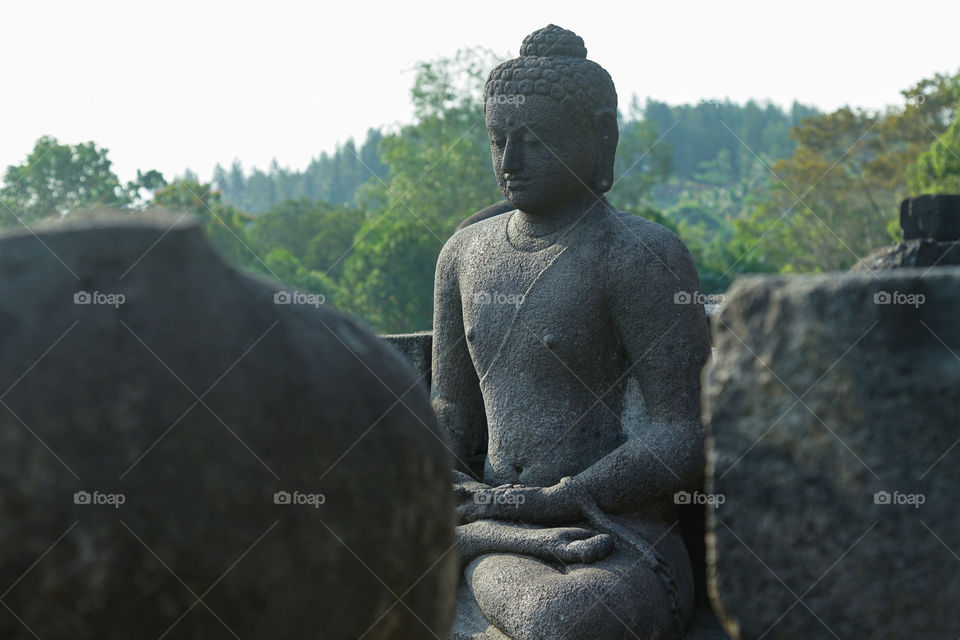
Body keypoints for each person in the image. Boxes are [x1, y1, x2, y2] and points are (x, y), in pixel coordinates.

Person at [431, 25, 711, 640]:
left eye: (534, 142)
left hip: (615, 532)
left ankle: (472, 550)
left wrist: (562, 496)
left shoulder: (638, 254)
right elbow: (451, 406)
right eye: (499, 141)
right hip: (501, 529)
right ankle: (474, 543)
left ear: (599, 137)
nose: (510, 163)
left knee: (571, 616)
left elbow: (681, 434)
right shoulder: (464, 254)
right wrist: (452, 484)